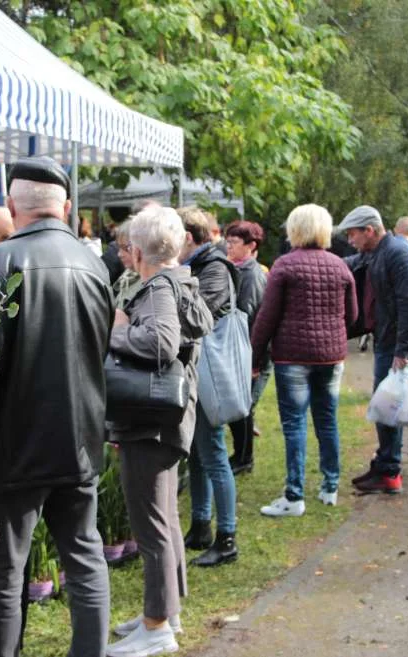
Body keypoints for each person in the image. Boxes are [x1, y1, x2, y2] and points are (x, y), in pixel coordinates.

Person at [0, 157, 113, 657]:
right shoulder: (95, 264)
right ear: (65, 208)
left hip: (14, 445)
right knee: (85, 557)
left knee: (4, 570)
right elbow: (100, 350)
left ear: (10, 207)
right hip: (79, 439)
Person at [105, 206, 214, 657]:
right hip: (165, 420)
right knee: (165, 522)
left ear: (138, 249)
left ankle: (156, 626)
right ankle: (166, 611)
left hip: (149, 424)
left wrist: (112, 332)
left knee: (152, 526)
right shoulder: (180, 279)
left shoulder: (157, 289)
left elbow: (161, 343)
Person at [251, 205, 357, 516]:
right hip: (331, 355)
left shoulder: (284, 266)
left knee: (295, 423)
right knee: (327, 420)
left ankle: (294, 496)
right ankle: (330, 487)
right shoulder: (340, 266)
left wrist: (254, 356)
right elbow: (351, 316)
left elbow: (266, 318)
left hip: (292, 356)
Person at [341, 205, 408, 494]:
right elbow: (353, 261)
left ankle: (390, 470)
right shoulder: (376, 251)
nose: (351, 240)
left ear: (370, 231)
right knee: (386, 404)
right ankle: (386, 463)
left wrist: (403, 351)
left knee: (389, 406)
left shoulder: (397, 253)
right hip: (385, 338)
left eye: (353, 234)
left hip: (394, 344)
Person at [177, 206, 240, 567]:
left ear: (188, 238)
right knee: (198, 453)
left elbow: (198, 316)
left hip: (210, 374)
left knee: (214, 453)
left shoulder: (214, 267)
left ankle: (227, 537)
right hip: (198, 372)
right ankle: (201, 526)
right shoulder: (203, 265)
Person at [224, 220, 268, 475]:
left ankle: (244, 458)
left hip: (250, 352)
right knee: (238, 407)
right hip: (242, 350)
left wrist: (253, 360)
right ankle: (240, 455)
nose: (228, 246)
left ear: (251, 246)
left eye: (234, 242)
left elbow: (248, 315)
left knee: (243, 408)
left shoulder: (252, 275)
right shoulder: (237, 268)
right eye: (227, 241)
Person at [112, 220, 142, 309]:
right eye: (119, 247)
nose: (119, 254)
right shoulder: (128, 276)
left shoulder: (149, 283)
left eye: (125, 248)